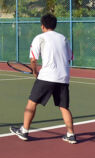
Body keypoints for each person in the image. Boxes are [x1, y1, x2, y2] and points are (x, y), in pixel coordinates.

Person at [10, 13, 76, 144]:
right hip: (63, 77)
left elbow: (33, 59)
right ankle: (71, 135)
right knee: (64, 107)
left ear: (42, 26)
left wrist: (35, 72)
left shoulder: (39, 38)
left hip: (46, 76)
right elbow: (70, 58)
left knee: (32, 103)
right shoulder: (63, 38)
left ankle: (24, 131)